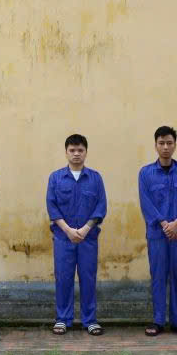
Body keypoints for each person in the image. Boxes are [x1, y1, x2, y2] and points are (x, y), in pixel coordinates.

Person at [46, 134, 107, 336]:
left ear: (86, 152)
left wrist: (85, 229)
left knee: (88, 277)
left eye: (80, 150)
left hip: (88, 238)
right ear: (66, 152)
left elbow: (101, 206)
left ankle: (90, 320)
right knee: (63, 277)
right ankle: (63, 319)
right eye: (72, 150)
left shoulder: (95, 178)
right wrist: (68, 230)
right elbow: (52, 206)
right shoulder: (55, 178)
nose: (76, 154)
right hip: (64, 238)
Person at [138, 126, 177, 337]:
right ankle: (158, 320)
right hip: (157, 234)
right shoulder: (145, 173)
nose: (165, 147)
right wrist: (164, 224)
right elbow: (146, 202)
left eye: (169, 143)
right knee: (159, 276)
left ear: (175, 145)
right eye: (161, 143)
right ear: (155, 145)